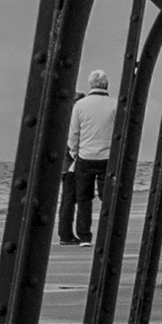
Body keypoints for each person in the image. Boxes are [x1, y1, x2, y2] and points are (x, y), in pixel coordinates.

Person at [67, 69, 117, 242]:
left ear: (90, 85)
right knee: (108, 199)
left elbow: (74, 134)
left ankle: (84, 237)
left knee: (84, 200)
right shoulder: (115, 105)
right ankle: (108, 233)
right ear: (106, 85)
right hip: (108, 158)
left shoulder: (80, 106)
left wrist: (75, 153)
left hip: (85, 157)